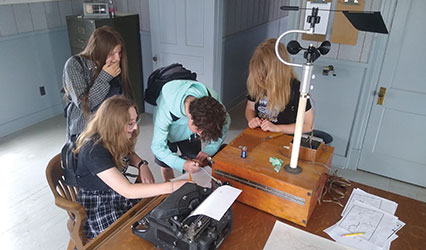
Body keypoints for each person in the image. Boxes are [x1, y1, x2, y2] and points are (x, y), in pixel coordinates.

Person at [73, 96, 188, 239]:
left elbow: (128, 153)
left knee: (157, 216)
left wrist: (142, 164)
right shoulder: (93, 151)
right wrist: (172, 186)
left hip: (117, 193)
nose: (135, 128)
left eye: (135, 121)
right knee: (132, 237)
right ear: (114, 125)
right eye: (130, 123)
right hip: (100, 203)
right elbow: (127, 190)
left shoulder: (112, 137)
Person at [151, 80, 231, 182]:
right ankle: (169, 189)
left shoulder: (212, 99)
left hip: (189, 135)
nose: (201, 135)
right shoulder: (165, 111)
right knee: (166, 164)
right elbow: (157, 147)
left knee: (195, 163)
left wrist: (210, 149)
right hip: (167, 135)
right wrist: (181, 164)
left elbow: (226, 121)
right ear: (191, 119)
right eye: (199, 131)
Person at [63, 26, 133, 140]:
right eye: (111, 54)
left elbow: (123, 98)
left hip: (112, 128)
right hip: (86, 133)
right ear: (98, 51)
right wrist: (105, 77)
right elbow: (85, 105)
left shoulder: (114, 65)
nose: (117, 58)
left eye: (119, 53)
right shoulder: (74, 65)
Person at [245, 38, 313, 134]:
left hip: (285, 138)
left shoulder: (296, 89)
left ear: (277, 74)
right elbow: (250, 109)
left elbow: (307, 125)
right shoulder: (257, 83)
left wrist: (278, 128)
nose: (261, 80)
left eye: (265, 77)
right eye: (258, 76)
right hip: (261, 135)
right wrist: (252, 119)